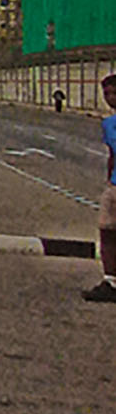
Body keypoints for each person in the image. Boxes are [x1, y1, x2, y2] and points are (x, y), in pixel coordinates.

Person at [85, 74, 116, 303]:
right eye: (106, 93)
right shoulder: (108, 124)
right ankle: (111, 280)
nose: (110, 97)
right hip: (115, 184)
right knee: (106, 230)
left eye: (114, 92)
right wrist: (109, 180)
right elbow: (112, 155)